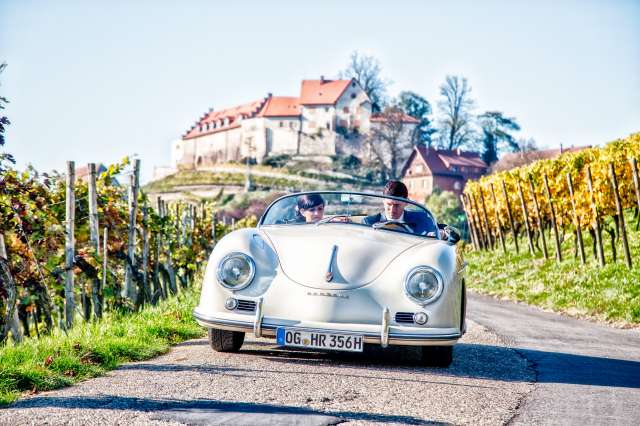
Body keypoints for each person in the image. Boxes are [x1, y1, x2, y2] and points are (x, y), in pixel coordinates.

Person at [364, 180, 437, 236]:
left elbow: (436, 232)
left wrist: (441, 233)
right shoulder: (368, 223)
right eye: (389, 204)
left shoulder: (422, 219)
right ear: (383, 202)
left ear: (406, 202)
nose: (392, 210)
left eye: (397, 205)